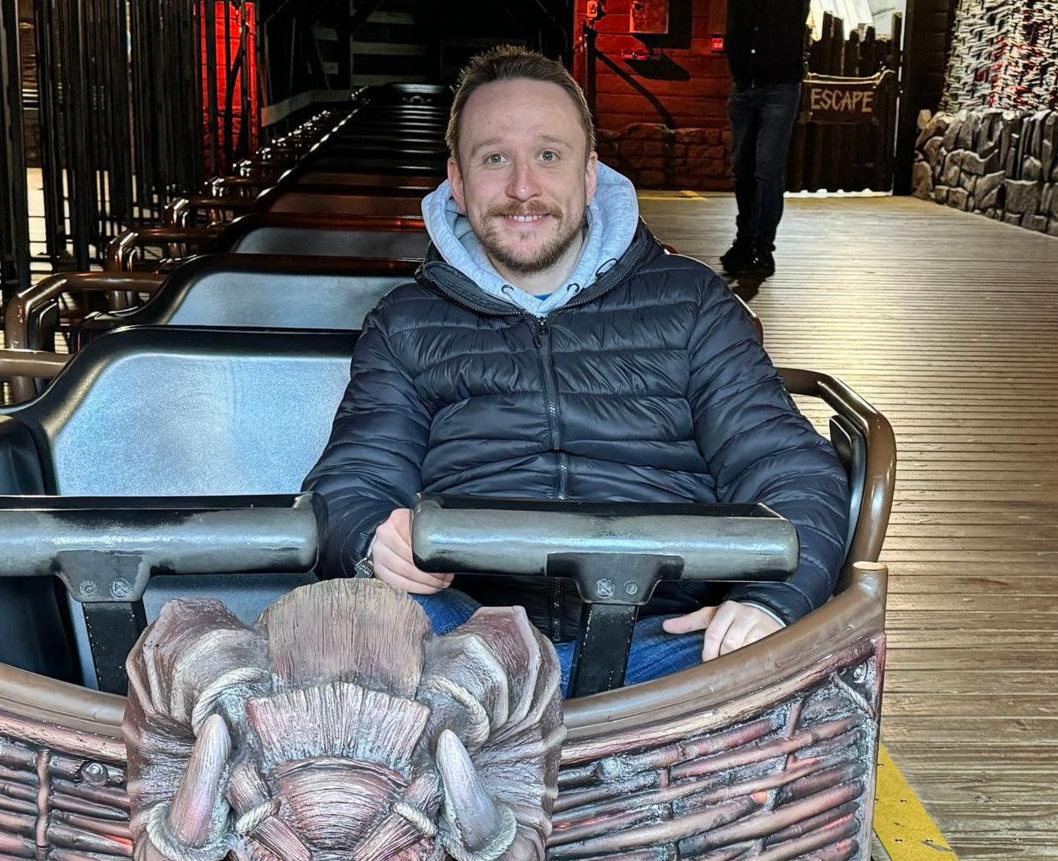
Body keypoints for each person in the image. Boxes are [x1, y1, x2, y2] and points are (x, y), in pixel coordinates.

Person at [303, 46, 850, 689]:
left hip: (669, 643)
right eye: (494, 158)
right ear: (456, 178)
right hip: (469, 643)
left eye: (549, 155)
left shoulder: (693, 303)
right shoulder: (405, 322)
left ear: (591, 174)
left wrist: (770, 603)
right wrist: (372, 537)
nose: (522, 188)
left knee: (783, 666)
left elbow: (787, 466)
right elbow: (354, 476)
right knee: (332, 631)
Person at [722, 0, 811, 276]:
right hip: (744, 85)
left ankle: (762, 248)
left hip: (780, 87)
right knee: (743, 169)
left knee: (767, 170)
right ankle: (745, 240)